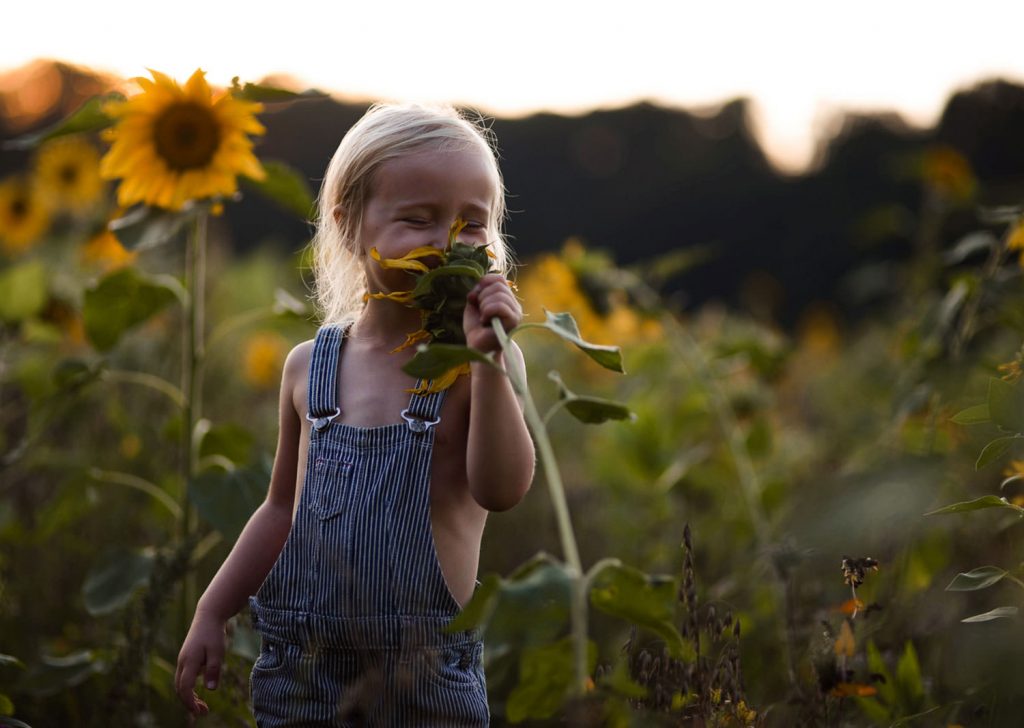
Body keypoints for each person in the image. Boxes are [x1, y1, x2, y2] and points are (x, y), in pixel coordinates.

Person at [175, 103, 535, 726]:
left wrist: (489, 365)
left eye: (473, 224)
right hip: (303, 677)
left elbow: (502, 491)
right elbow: (280, 509)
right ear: (347, 226)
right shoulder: (307, 368)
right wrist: (213, 609)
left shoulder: (478, 367)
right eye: (419, 218)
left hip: (426, 685)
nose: (449, 241)